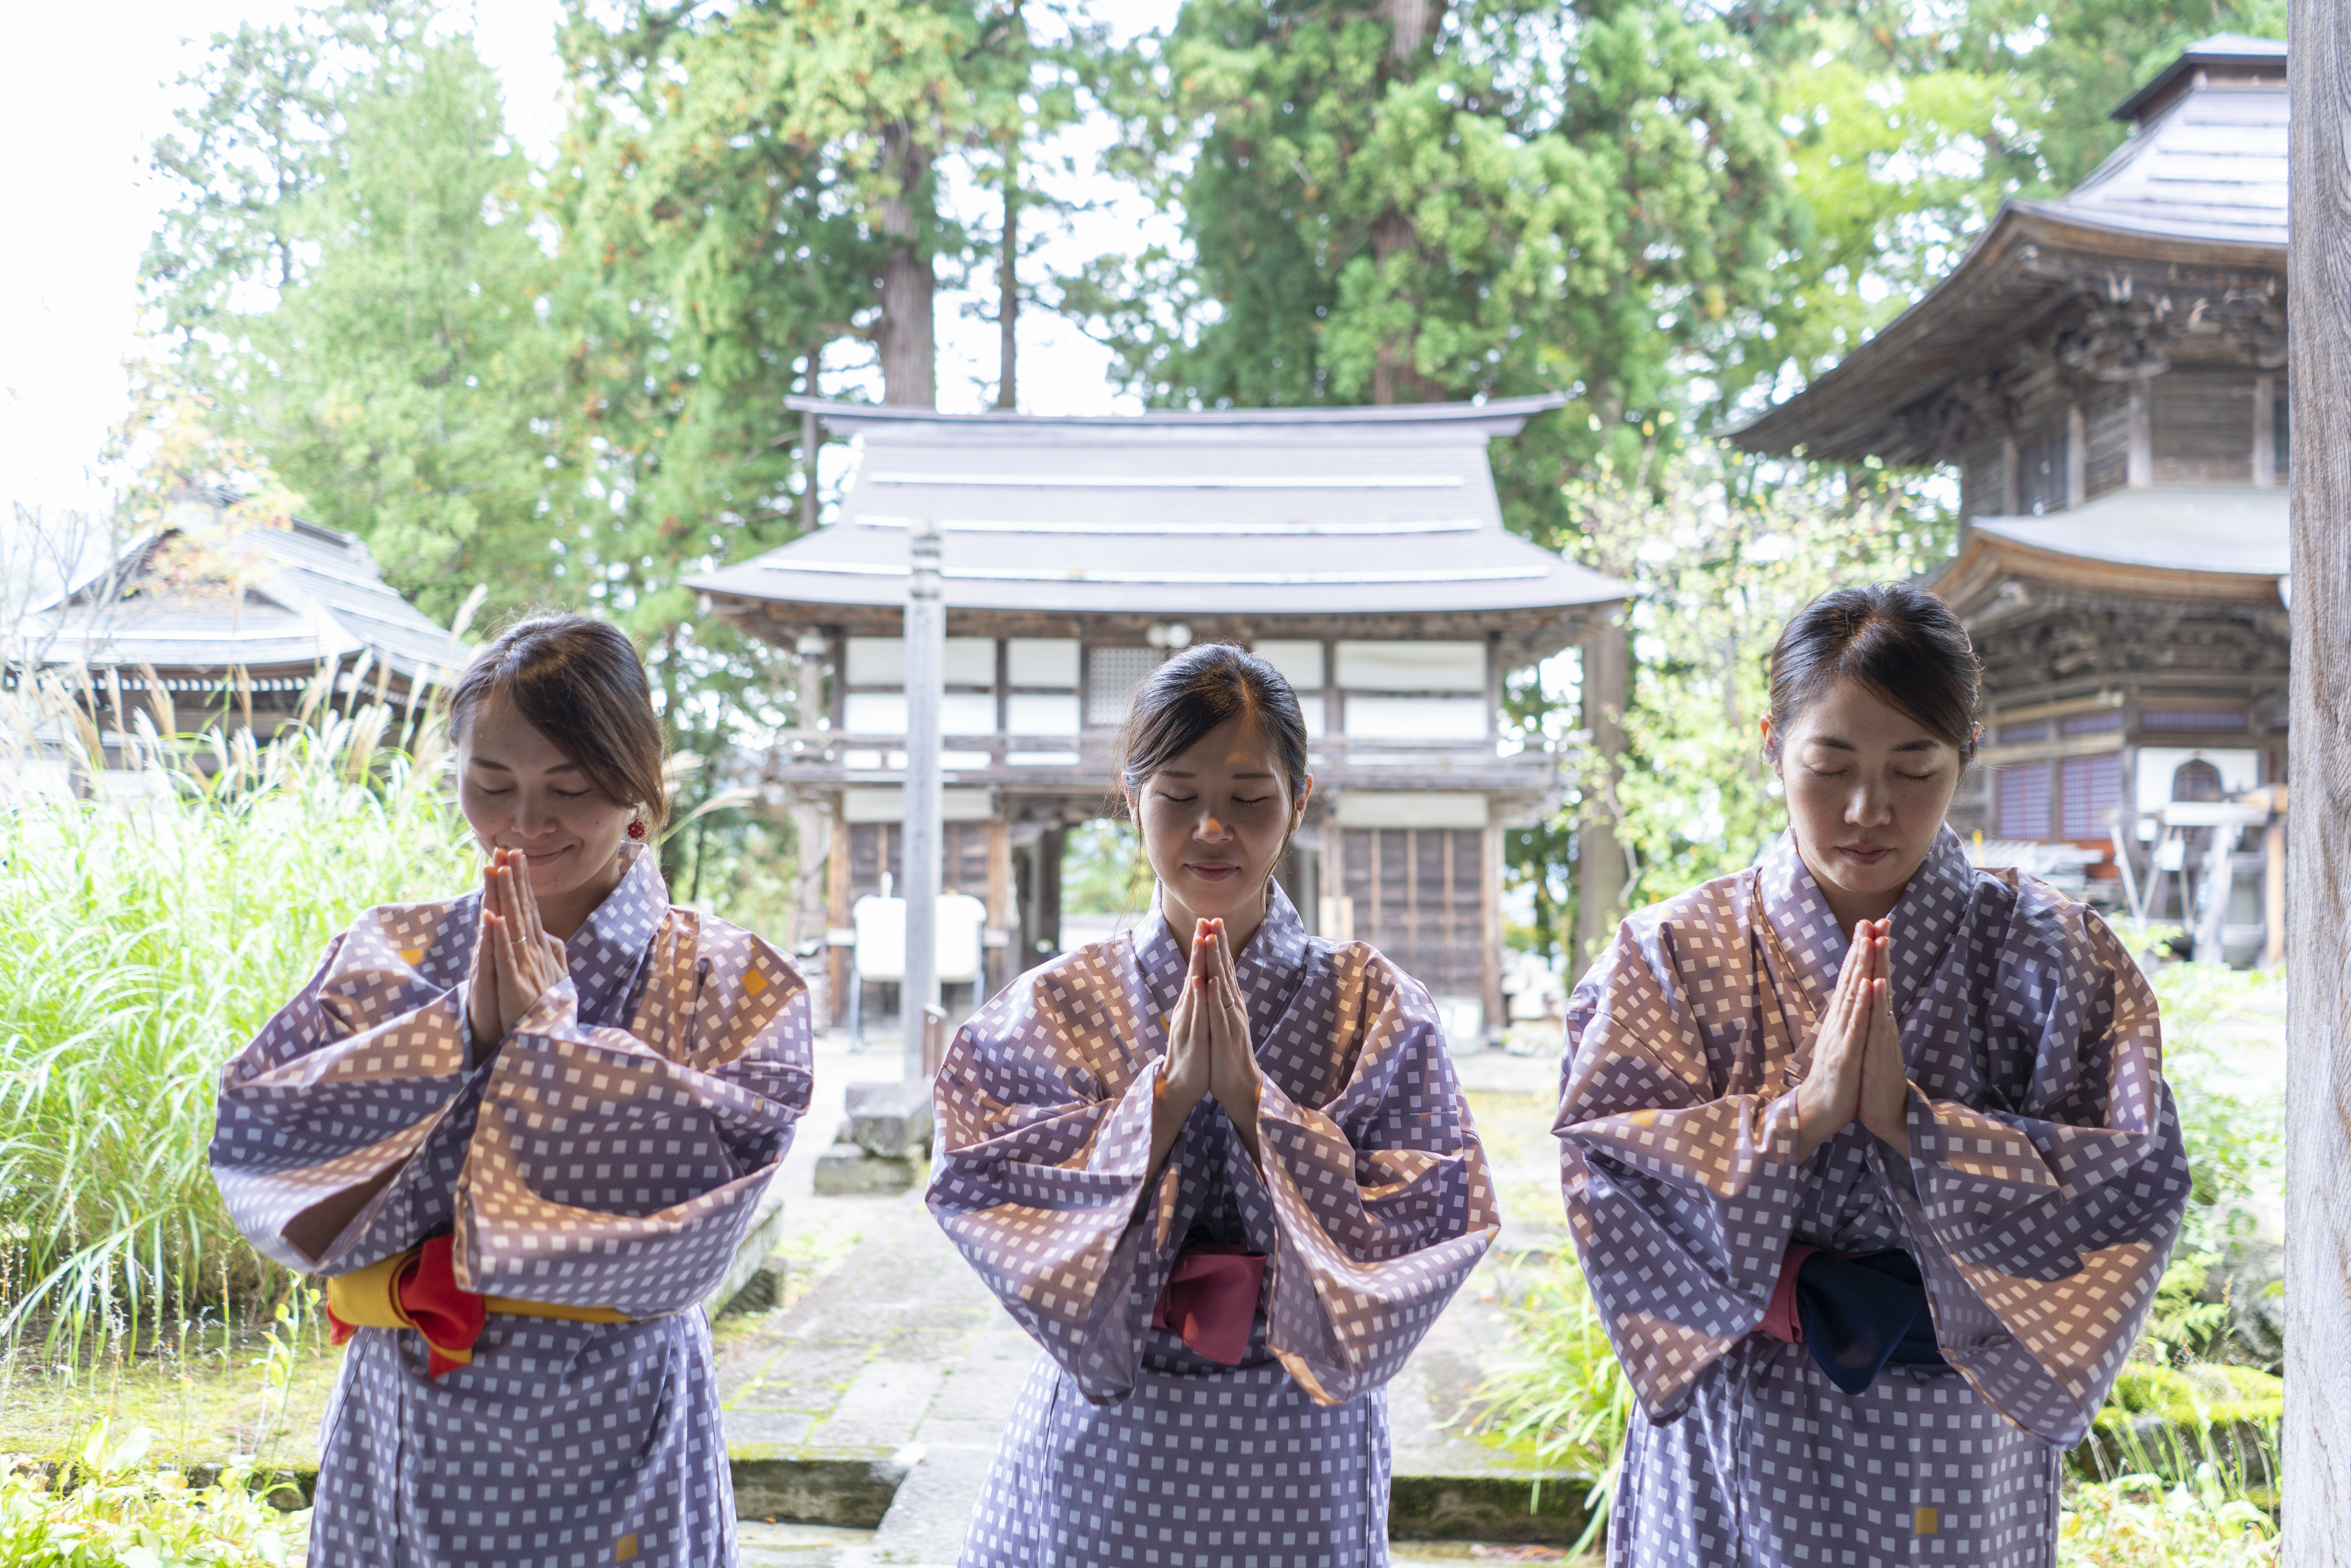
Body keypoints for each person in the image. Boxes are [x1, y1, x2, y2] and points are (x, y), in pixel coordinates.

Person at [1554, 583, 2189, 1568]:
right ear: (1772, 746)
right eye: (1830, 764)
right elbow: (1608, 1173)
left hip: (1960, 1427)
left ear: (1965, 751)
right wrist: (1795, 1120)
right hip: (1741, 1416)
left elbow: (2128, 1185)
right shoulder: (1669, 952)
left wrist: (1916, 1126)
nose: (1867, 808)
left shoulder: (2056, 957)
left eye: (1912, 765)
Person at [209, 614, 813, 1568]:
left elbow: (700, 1224)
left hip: (619, 1418)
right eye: (492, 785)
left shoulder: (730, 980)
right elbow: (267, 1149)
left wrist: (540, 1045)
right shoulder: (392, 954)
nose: (527, 822)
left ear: (639, 789)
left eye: (570, 788)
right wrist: (463, 1029)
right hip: (410, 1408)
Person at [929, 642, 1497, 1568]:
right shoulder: (1056, 1005)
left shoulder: (1374, 1005)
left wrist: (1254, 1107)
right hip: (1111, 1436)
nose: (1211, 828)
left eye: (1248, 797)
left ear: (1299, 801)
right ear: (1132, 798)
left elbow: (1432, 1212)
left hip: (1299, 1432)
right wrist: (1156, 1109)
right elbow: (985, 1188)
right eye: (1178, 794)